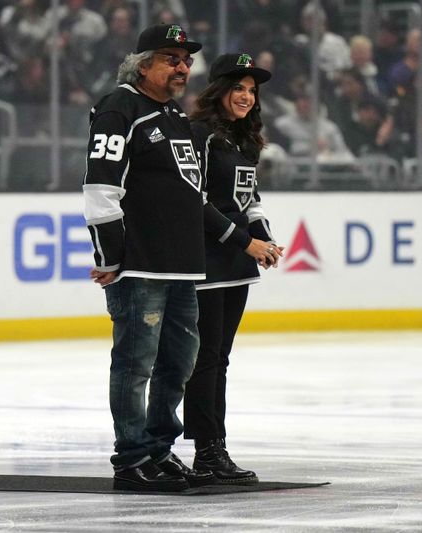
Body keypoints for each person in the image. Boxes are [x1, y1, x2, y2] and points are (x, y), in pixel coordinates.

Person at [82, 23, 216, 492]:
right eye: (171, 59)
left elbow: (190, 194)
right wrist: (110, 255)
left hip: (181, 267)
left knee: (179, 362)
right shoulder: (122, 107)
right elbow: (101, 189)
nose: (183, 67)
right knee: (136, 364)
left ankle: (159, 450)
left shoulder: (173, 114)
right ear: (143, 66)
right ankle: (132, 457)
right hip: (140, 267)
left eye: (186, 60)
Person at [185, 53, 283, 484]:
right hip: (206, 262)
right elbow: (196, 203)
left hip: (237, 264)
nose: (245, 96)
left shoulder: (246, 140)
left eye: (251, 90)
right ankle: (206, 451)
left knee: (219, 358)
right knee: (205, 358)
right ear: (218, 90)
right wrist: (247, 242)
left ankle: (215, 447)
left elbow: (250, 200)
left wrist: (264, 237)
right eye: (237, 88)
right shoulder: (200, 135)